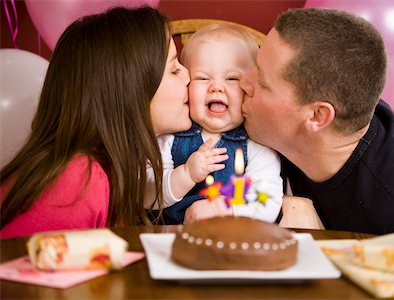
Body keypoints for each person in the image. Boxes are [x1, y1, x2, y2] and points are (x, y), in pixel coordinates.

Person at [240, 8, 394, 234]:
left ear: (317, 116)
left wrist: (321, 242)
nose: (243, 81)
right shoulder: (277, 126)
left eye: (262, 82)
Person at [0, 6, 191, 239]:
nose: (189, 75)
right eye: (174, 69)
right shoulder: (77, 180)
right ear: (130, 91)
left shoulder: (114, 170)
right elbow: (20, 268)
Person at [146, 24, 283, 225]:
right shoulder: (169, 137)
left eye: (232, 78)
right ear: (186, 83)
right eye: (202, 78)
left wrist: (224, 208)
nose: (216, 87)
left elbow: (267, 200)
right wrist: (185, 175)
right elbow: (147, 194)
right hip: (167, 239)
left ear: (249, 86)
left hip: (229, 242)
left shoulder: (256, 146)